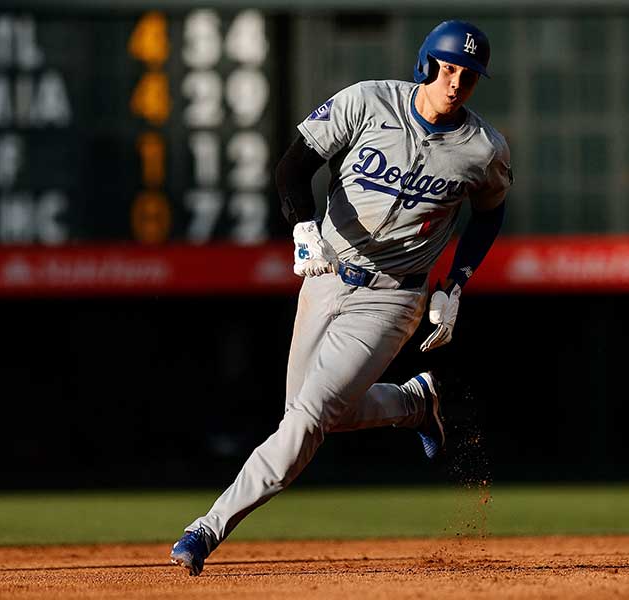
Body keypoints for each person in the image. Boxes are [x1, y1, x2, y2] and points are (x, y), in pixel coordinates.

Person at [170, 19, 512, 576]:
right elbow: (294, 165)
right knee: (304, 414)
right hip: (327, 272)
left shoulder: (481, 148)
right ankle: (412, 404)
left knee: (306, 419)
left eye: (468, 76)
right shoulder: (369, 101)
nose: (455, 83)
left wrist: (456, 283)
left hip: (392, 300)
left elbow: (490, 215)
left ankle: (206, 529)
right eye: (448, 68)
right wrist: (303, 227)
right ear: (427, 64)